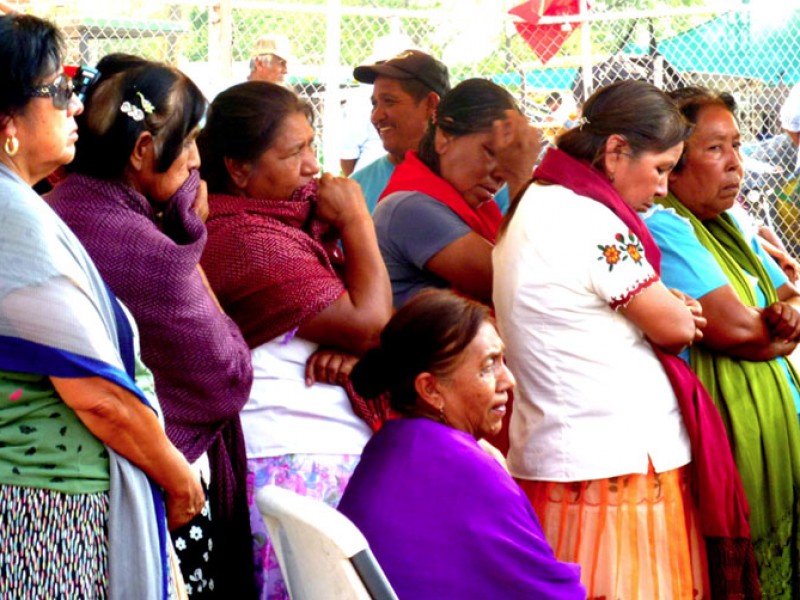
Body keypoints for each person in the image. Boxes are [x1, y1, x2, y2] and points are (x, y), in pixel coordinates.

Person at [495, 80, 760, 599]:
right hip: (615, 471)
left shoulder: (542, 202)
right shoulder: (591, 219)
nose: (663, 188)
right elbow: (676, 326)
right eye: (660, 168)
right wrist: (676, 307)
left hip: (575, 457)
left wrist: (666, 303)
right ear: (616, 151)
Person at [0, 14, 204, 597]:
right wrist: (179, 479)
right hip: (46, 519)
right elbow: (98, 396)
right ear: (6, 118)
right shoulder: (12, 219)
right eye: (59, 88)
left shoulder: (25, 206)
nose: (76, 107)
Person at [46, 56, 256, 597]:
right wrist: (189, 241)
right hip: (153, 484)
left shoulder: (58, 207)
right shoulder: (146, 250)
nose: (194, 163)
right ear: (142, 150)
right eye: (186, 143)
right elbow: (226, 376)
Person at [197, 81, 392, 599]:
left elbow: (363, 326)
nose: (312, 166)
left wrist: (355, 353)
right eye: (293, 153)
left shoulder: (286, 225)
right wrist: (356, 217)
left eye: (311, 145)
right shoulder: (244, 238)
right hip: (289, 458)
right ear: (238, 169)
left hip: (306, 454)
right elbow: (373, 322)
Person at [643, 85, 800, 597]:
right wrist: (775, 327)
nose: (736, 163)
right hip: (726, 433)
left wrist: (781, 318)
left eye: (736, 145)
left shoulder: (733, 222)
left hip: (780, 413)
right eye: (715, 149)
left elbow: (791, 298)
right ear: (674, 163)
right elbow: (738, 331)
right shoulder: (666, 228)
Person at [338, 289, 586, 599]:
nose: (508, 379)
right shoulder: (465, 466)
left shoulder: (387, 443)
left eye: (502, 361)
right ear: (430, 388)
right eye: (488, 366)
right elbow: (554, 592)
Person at [373, 77, 539, 307]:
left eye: (510, 156)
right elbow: (528, 287)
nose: (502, 172)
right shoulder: (410, 209)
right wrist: (520, 174)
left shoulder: (464, 204)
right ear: (443, 138)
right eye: (491, 152)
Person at [348, 50, 516, 213]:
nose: (376, 116)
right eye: (374, 104)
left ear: (431, 104)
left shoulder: (487, 184)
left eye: (389, 102)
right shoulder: (357, 187)